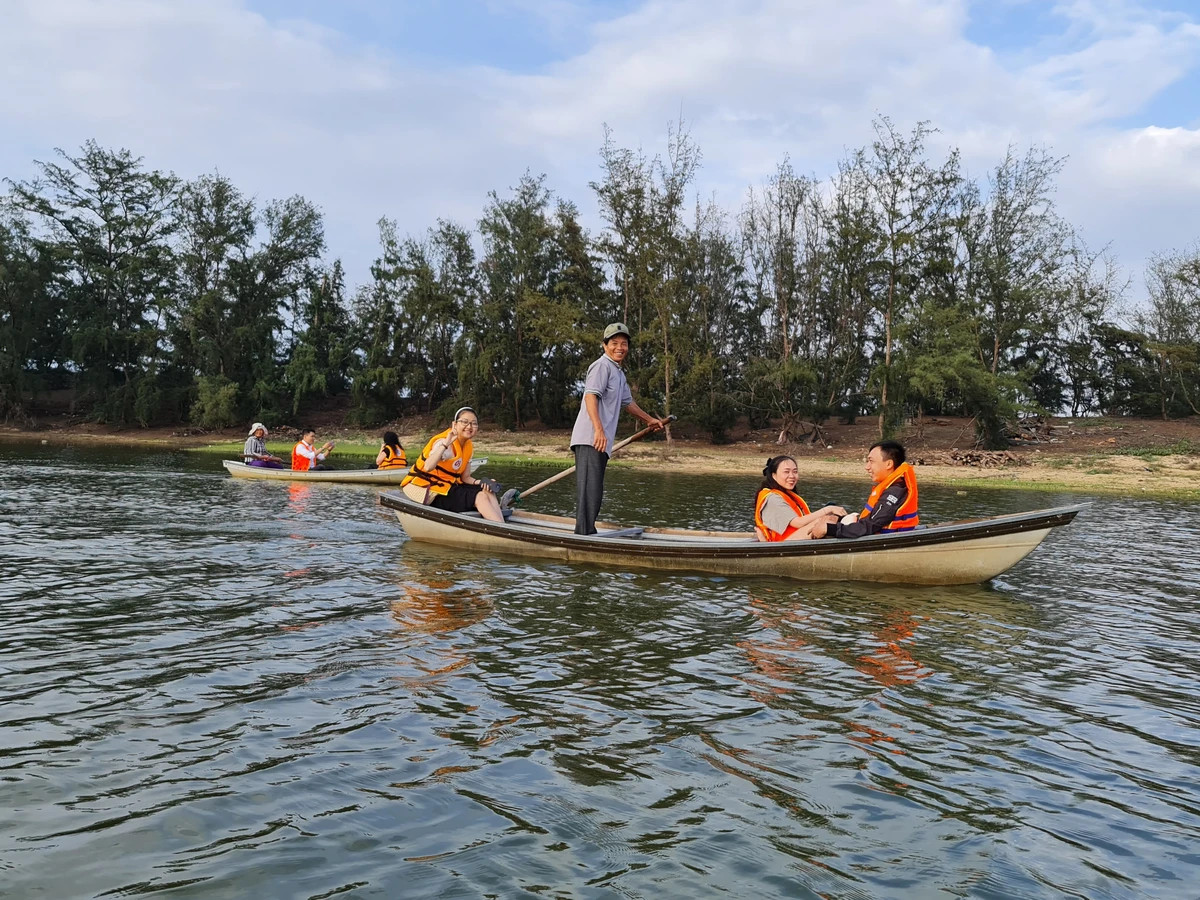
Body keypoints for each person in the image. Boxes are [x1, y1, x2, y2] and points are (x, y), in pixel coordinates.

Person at [569, 323, 667, 535]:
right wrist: (598, 429)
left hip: (600, 441)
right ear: (605, 345)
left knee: (595, 491)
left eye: (624, 344)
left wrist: (649, 419)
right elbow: (590, 396)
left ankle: (586, 533)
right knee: (589, 491)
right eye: (614, 343)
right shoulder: (601, 366)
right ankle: (583, 536)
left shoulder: (618, 373)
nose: (619, 347)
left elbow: (627, 403)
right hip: (591, 438)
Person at [400, 407, 504, 522]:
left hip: (449, 486)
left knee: (488, 489)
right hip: (430, 489)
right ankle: (501, 529)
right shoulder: (444, 443)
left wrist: (483, 482)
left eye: (473, 424)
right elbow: (428, 466)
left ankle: (501, 524)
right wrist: (445, 444)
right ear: (454, 425)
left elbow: (465, 478)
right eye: (464, 422)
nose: (469, 427)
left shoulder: (468, 446)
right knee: (480, 497)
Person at [812, 440, 920, 538]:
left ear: (888, 464)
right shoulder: (893, 487)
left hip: (888, 538)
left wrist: (829, 529)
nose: (867, 467)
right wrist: (838, 519)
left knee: (823, 526)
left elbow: (870, 525)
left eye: (871, 461)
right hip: (879, 531)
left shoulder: (895, 492)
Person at [754, 456, 846, 541]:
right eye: (786, 472)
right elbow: (797, 523)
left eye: (795, 472)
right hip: (784, 543)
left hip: (794, 538)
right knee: (824, 522)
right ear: (774, 475)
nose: (792, 476)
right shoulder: (773, 498)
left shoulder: (785, 494)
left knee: (830, 519)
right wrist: (827, 509)